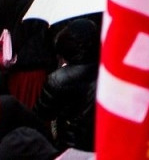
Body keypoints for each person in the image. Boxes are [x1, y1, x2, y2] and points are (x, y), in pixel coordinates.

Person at [34, 19, 100, 152]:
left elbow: (40, 114)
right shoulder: (108, 72)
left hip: (71, 146)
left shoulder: (57, 79)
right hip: (101, 143)